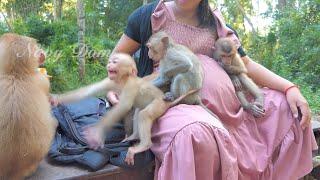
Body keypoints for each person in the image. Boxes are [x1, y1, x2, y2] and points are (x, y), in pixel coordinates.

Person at [108, 0, 318, 179]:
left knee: (285, 108)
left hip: (230, 109)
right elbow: (118, 58)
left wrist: (290, 88)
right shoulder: (149, 17)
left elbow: (247, 65)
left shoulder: (215, 22)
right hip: (174, 103)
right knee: (195, 133)